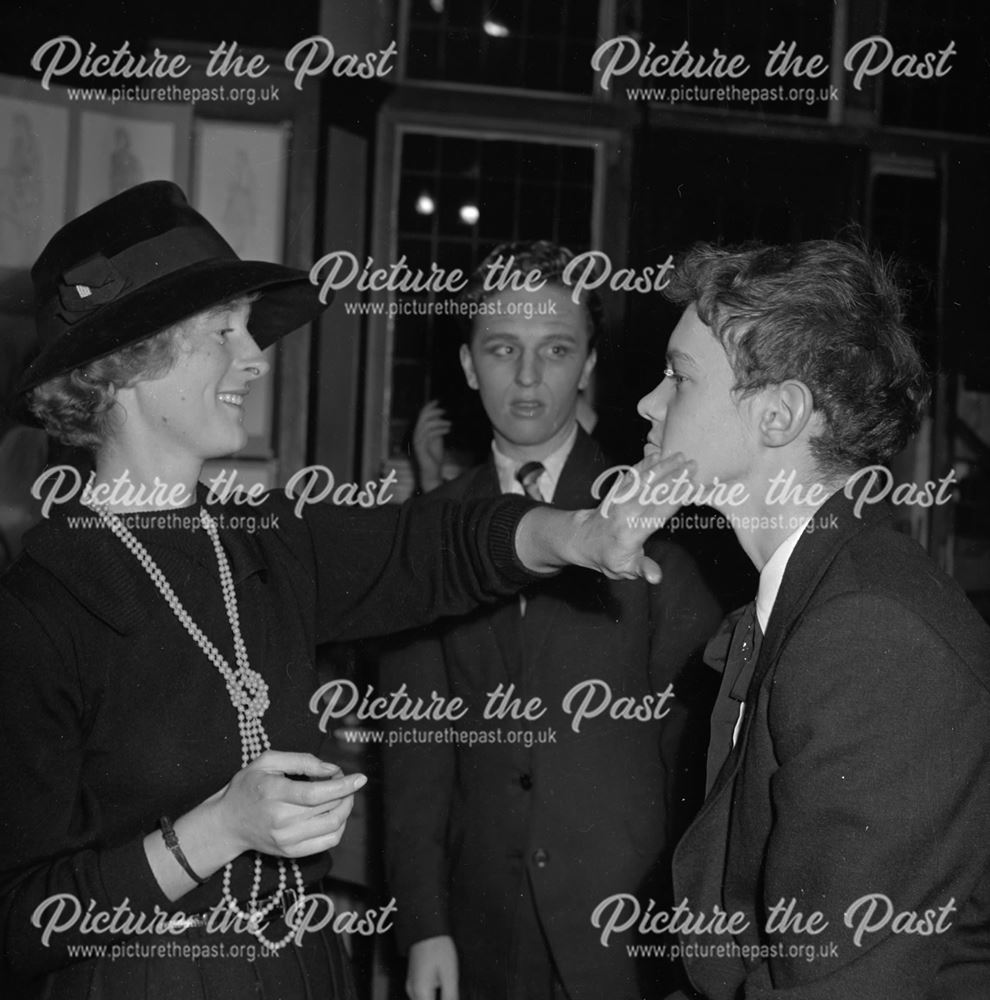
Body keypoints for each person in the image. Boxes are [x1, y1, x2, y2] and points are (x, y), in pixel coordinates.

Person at [0, 182, 688, 1000]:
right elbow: (18, 920)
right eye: (224, 331)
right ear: (127, 367)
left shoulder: (266, 540)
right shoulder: (38, 609)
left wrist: (574, 535)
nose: (255, 356)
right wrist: (218, 829)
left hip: (298, 970)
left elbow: (432, 545)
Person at [633, 239, 990, 999]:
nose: (649, 403)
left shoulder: (867, 630)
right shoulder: (819, 590)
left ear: (779, 415)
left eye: (679, 378)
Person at [381, 240, 723, 1000]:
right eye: (503, 349)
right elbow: (416, 757)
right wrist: (424, 924)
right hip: (478, 929)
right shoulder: (423, 533)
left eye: (556, 349)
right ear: (469, 365)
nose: (529, 377)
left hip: (625, 932)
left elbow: (693, 756)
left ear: (590, 362)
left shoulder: (655, 521)